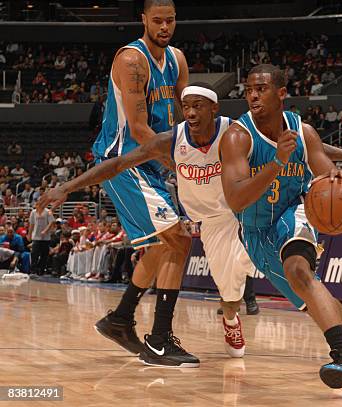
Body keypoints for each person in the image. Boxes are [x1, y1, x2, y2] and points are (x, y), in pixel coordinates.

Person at [39, 82, 342, 364]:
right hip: (213, 225)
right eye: (185, 107)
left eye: (197, 106)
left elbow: (301, 143)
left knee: (302, 294)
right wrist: (67, 187)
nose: (190, 112)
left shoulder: (235, 134)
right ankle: (243, 318)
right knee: (229, 291)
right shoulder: (170, 141)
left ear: (213, 109)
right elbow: (118, 164)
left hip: (249, 215)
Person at [219, 64, 342, 396]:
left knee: (298, 270)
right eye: (249, 89)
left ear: (281, 93)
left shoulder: (304, 132)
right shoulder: (238, 137)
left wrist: (341, 183)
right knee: (313, 301)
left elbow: (328, 177)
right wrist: (276, 163)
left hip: (294, 210)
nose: (253, 94)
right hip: (255, 231)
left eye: (261, 88)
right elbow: (236, 199)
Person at [86, 0, 195, 367]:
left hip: (150, 163)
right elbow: (139, 130)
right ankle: (160, 340)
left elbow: (183, 114)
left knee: (161, 248)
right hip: (123, 162)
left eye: (171, 20)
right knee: (178, 240)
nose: (165, 27)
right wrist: (183, 166)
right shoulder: (131, 61)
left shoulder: (177, 59)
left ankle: (119, 320)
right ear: (144, 20)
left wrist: (200, 148)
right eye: (158, 20)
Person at [28, 207, 55, 275]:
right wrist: (29, 234)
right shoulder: (33, 212)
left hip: (45, 238)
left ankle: (41, 270)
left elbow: (51, 222)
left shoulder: (48, 211)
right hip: (36, 237)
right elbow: (31, 224)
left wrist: (45, 230)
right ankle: (33, 271)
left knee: (44, 255)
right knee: (34, 254)